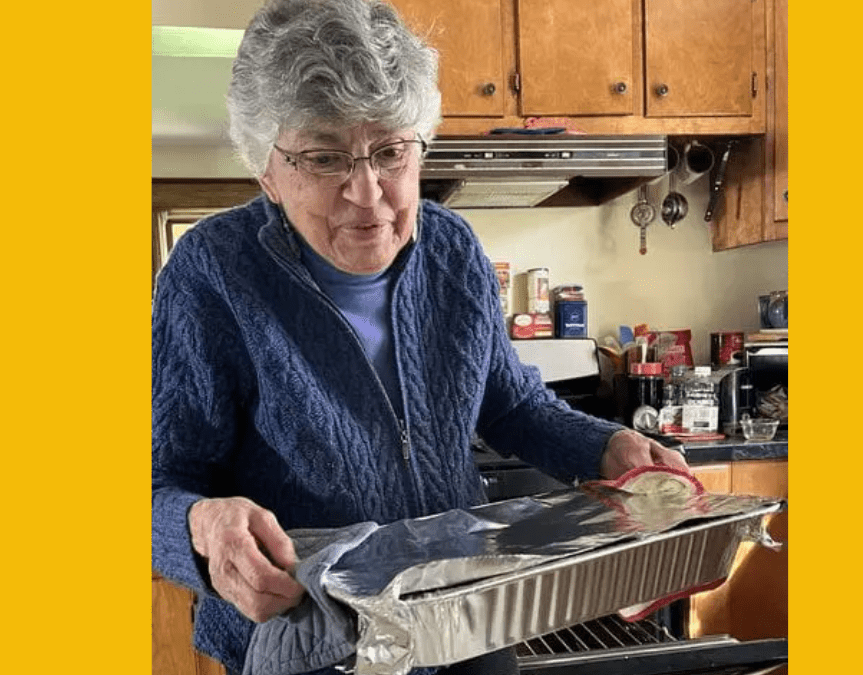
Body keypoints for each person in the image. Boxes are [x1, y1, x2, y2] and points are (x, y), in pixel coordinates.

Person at [151, 1, 688, 674]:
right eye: (325, 157)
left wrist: (608, 444)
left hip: (465, 614)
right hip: (314, 638)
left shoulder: (453, 250)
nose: (368, 192)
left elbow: (511, 404)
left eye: (390, 152)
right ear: (268, 169)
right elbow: (160, 482)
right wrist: (199, 527)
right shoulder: (212, 274)